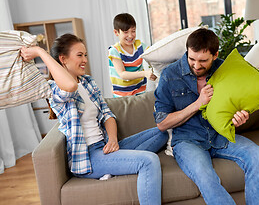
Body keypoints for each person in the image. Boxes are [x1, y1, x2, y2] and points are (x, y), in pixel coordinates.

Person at [20, 33, 168, 205]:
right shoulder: (53, 89)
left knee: (163, 131)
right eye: (79, 55)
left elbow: (107, 115)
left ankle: (117, 164)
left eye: (85, 55)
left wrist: (113, 139)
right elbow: (70, 86)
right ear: (63, 59)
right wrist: (40, 51)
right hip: (88, 157)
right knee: (148, 162)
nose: (85, 60)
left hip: (105, 147)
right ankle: (118, 164)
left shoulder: (88, 82)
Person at [154, 28, 259, 205]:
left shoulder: (224, 69)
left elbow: (235, 105)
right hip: (188, 141)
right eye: (191, 59)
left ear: (215, 55)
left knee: (257, 155)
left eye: (203, 61)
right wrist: (197, 104)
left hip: (219, 136)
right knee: (204, 175)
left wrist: (239, 117)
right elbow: (162, 123)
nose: (196, 65)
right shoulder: (170, 75)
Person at [108, 13, 156, 97]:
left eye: (133, 31)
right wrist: (144, 73)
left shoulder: (140, 46)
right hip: (122, 96)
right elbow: (122, 74)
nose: (130, 35)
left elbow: (154, 53)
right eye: (126, 32)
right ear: (116, 32)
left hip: (140, 92)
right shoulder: (114, 51)